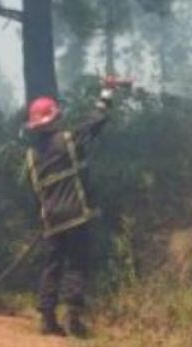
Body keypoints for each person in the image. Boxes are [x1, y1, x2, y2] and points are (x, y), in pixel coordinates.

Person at [24, 76, 128, 338]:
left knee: (52, 266)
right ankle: (73, 318)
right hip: (76, 215)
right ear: (54, 119)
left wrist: (44, 218)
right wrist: (106, 92)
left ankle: (47, 318)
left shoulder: (31, 155)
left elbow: (35, 192)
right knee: (77, 265)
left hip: (51, 220)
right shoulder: (68, 141)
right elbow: (96, 121)